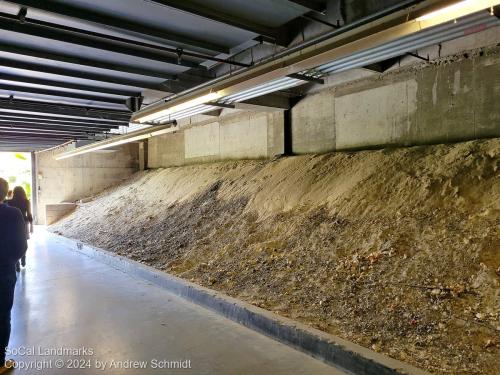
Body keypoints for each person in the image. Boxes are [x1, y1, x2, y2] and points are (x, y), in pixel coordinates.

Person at [0, 178, 27, 373]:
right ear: (5, 193)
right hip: (3, 273)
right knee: (2, 317)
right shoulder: (13, 214)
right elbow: (21, 246)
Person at [7, 187, 33, 272]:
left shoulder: (9, 202)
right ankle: (23, 258)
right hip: (23, 224)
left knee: (14, 242)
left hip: (12, 224)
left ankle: (17, 263)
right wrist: (31, 226)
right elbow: (29, 214)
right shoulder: (26, 202)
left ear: (14, 193)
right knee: (23, 241)